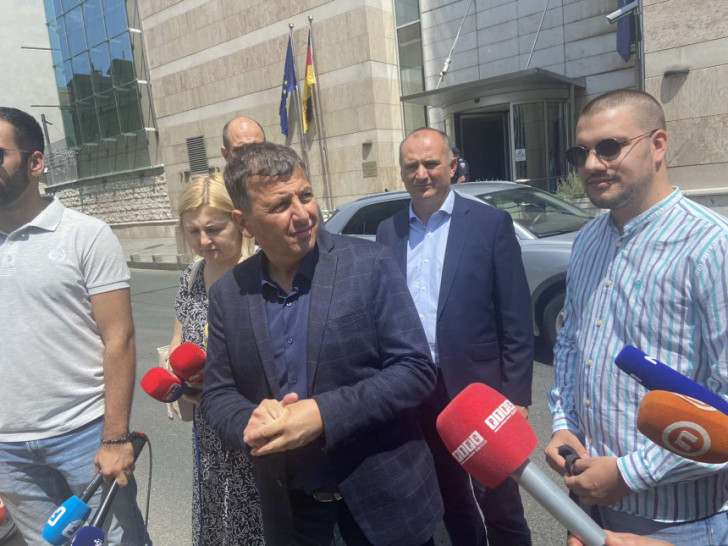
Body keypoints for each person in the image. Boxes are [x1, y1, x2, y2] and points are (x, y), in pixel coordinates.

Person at [201, 141, 443, 546]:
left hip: (385, 504)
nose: (302, 214)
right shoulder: (229, 294)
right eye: (280, 205)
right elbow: (218, 392)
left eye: (306, 195)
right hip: (292, 515)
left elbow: (415, 371)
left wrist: (322, 414)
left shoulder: (370, 264)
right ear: (244, 223)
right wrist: (249, 421)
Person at [545, 89, 728, 543]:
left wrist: (631, 474)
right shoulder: (587, 240)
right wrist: (564, 424)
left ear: (658, 145)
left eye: (610, 147)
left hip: (682, 524)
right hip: (593, 505)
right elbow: (571, 344)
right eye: (580, 153)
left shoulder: (712, 247)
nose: (591, 164)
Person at [377, 127, 534, 546]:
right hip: (417, 388)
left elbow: (515, 315)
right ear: (402, 172)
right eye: (411, 166)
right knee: (448, 494)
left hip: (478, 388)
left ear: (451, 166)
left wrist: (517, 395)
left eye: (431, 163)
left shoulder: (489, 223)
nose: (421, 174)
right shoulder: (389, 231)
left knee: (498, 495)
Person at [0, 108, 149, 544]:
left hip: (84, 434)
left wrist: (116, 437)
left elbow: (119, 338)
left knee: (118, 541)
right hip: (8, 451)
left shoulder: (86, 235)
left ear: (35, 162)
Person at [171, 173, 263, 545]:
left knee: (259, 520)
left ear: (239, 221)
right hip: (209, 428)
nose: (203, 241)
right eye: (193, 231)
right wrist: (179, 382)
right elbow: (177, 343)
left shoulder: (262, 269)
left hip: (254, 422)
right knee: (219, 517)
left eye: (213, 229)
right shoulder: (192, 277)